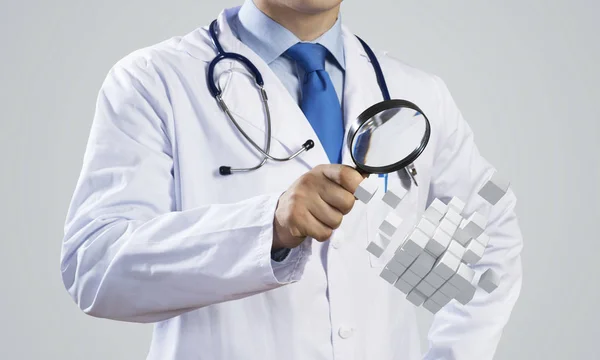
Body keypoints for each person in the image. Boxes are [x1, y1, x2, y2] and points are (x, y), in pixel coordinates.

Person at [60, 0, 523, 359]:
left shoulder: (419, 92)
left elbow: (488, 241)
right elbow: (97, 266)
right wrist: (270, 228)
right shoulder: (154, 81)